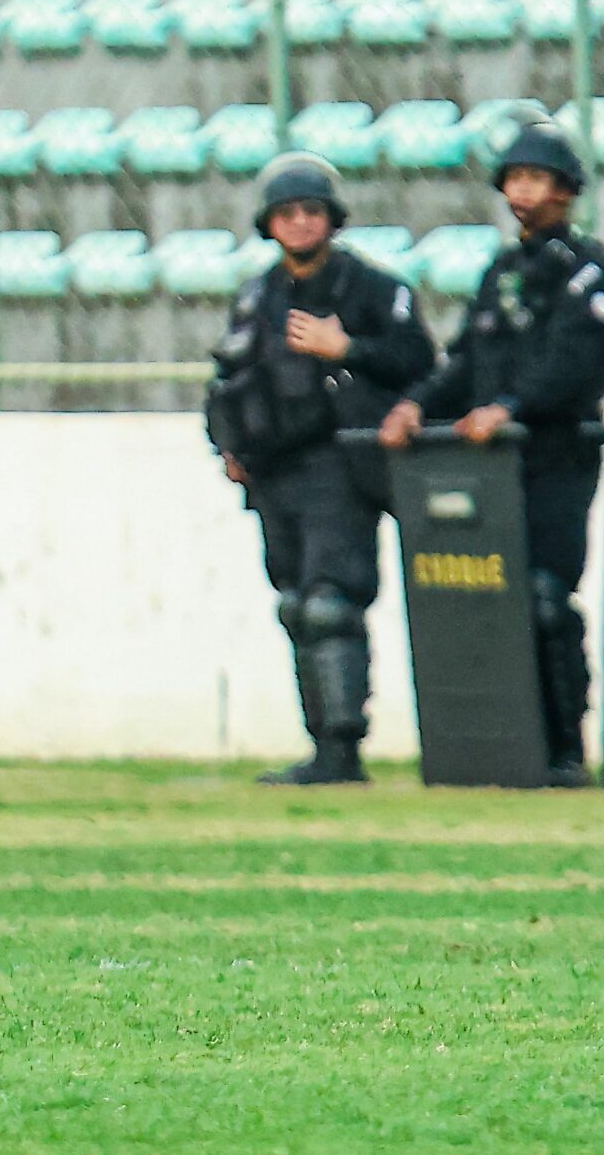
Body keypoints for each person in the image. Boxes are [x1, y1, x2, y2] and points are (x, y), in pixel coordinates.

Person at [382, 123, 604, 787]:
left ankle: (564, 750)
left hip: (557, 458)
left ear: (566, 190)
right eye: (514, 179)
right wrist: (415, 405)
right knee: (489, 599)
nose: (523, 192)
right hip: (490, 468)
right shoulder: (502, 271)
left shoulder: (588, 271)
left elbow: (576, 368)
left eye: (536, 179)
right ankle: (502, 749)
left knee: (546, 596)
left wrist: (511, 407)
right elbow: (466, 361)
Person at [206, 154, 435, 785]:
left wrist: (349, 349)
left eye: (312, 211)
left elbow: (421, 362)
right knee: (296, 606)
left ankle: (342, 751)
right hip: (274, 470)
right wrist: (228, 445)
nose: (301, 222)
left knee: (332, 604)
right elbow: (230, 378)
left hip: (341, 463)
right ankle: (319, 746)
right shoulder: (257, 295)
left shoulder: (372, 288)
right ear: (269, 223)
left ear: (333, 219)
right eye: (287, 213)